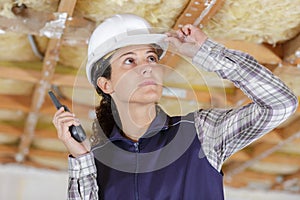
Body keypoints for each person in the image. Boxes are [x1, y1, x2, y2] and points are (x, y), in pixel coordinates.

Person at [52, 14, 298, 200]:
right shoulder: (99, 161)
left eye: (151, 58)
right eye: (129, 60)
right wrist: (82, 158)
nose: (147, 67)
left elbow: (279, 104)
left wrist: (206, 52)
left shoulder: (201, 132)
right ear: (106, 84)